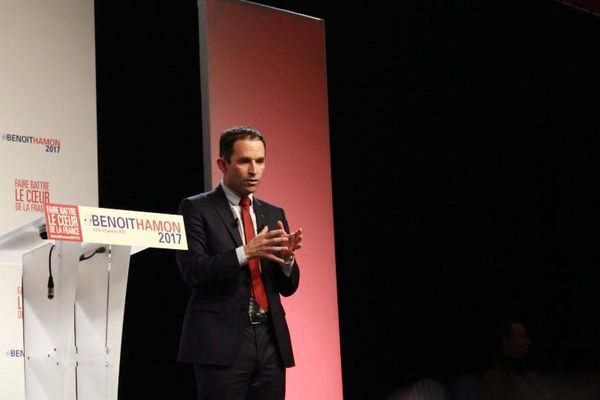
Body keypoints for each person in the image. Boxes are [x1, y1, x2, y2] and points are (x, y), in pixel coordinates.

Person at [176, 126, 302, 400]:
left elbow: (287, 287)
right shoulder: (196, 208)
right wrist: (244, 252)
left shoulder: (273, 212)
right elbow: (193, 270)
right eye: (245, 161)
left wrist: (287, 260)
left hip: (270, 339)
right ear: (223, 164)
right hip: (222, 343)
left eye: (260, 161)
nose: (254, 170)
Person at [479, 319, 550, 400]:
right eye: (522, 336)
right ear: (505, 341)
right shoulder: (494, 377)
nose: (528, 341)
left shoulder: (525, 375)